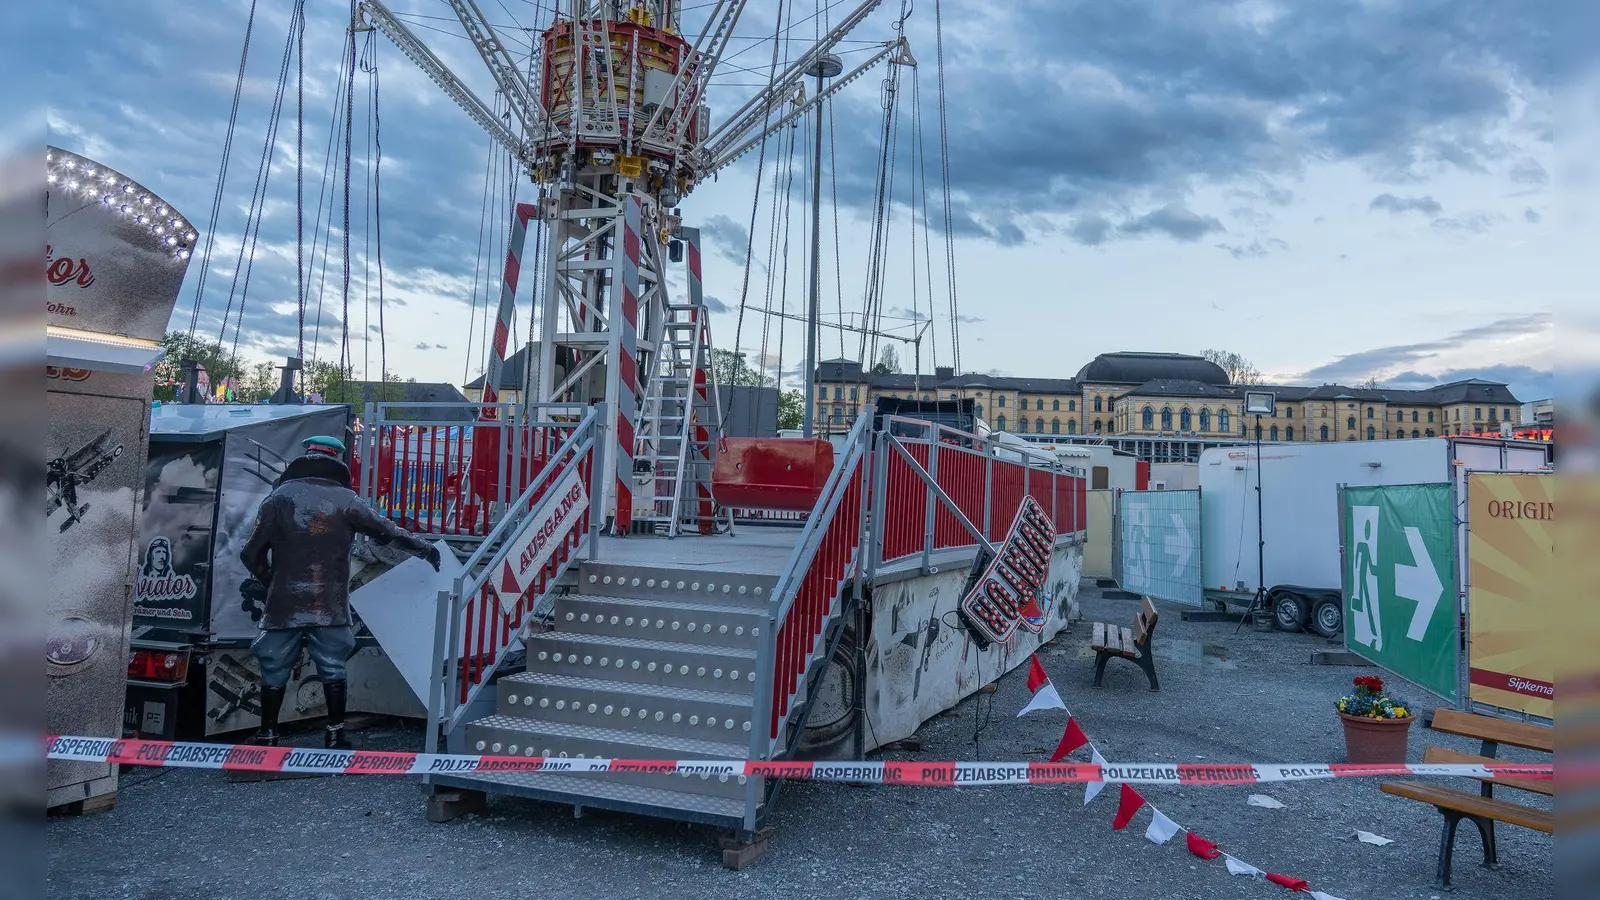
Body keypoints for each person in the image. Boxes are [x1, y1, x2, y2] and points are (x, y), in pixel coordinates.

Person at [240, 435, 441, 749]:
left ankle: (268, 735)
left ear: (306, 455)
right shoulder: (347, 500)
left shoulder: (277, 498)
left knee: (273, 666)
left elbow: (250, 555)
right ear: (337, 458)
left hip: (283, 606)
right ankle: (334, 736)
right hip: (329, 606)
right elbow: (387, 531)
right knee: (333, 667)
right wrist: (425, 548)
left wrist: (273, 586)